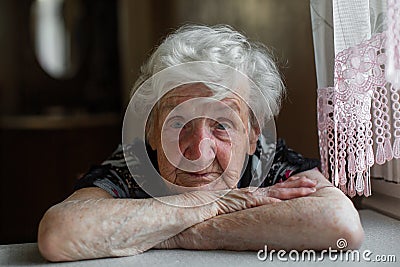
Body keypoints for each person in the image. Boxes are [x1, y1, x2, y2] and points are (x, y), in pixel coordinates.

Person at [38, 24, 364, 262]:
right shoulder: (136, 164)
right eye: (177, 123)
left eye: (222, 125)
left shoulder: (269, 159)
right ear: (151, 130)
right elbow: (59, 233)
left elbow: (339, 224)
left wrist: (168, 232)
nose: (198, 150)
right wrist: (217, 204)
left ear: (253, 135)